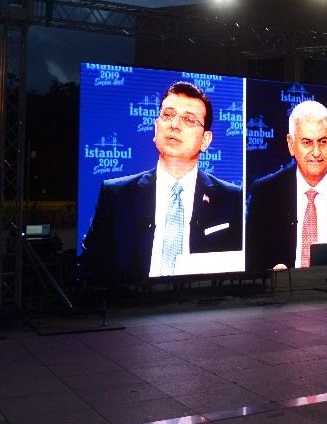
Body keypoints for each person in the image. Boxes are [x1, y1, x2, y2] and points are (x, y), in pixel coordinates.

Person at [80, 82, 242, 282]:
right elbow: (91, 267)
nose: (174, 125)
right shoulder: (116, 194)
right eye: (167, 115)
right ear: (156, 128)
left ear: (205, 140)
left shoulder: (231, 198)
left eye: (188, 120)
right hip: (135, 307)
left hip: (204, 305)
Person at [246, 99, 327, 271]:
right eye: (307, 142)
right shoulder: (265, 193)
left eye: (322, 142)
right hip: (283, 291)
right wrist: (269, 271)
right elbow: (253, 259)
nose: (316, 152)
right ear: (291, 144)